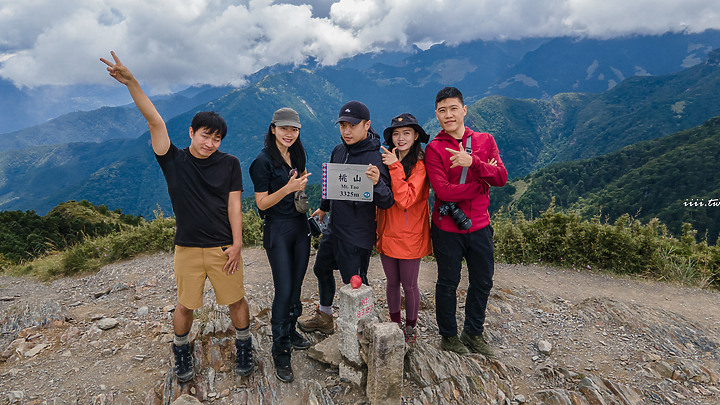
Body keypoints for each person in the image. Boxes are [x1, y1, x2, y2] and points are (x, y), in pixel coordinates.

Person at [100, 51, 254, 382]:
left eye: (216, 138)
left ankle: (244, 344)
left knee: (236, 301)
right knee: (185, 306)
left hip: (223, 247)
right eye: (205, 135)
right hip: (186, 247)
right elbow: (154, 120)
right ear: (191, 132)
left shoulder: (230, 164)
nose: (210, 143)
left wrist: (238, 244)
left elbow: (234, 206)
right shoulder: (173, 160)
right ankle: (181, 349)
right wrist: (132, 83)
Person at [297, 101, 394, 334]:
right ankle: (325, 316)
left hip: (357, 234)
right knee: (321, 268)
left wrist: (377, 182)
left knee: (355, 283)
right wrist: (323, 207)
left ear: (367, 125)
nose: (346, 131)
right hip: (335, 227)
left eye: (352, 125)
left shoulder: (376, 158)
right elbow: (333, 183)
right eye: (342, 125)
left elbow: (388, 200)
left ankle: (363, 331)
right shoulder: (339, 150)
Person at [424, 87, 508, 357]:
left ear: (464, 109)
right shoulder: (435, 149)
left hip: (480, 225)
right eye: (442, 110)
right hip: (447, 228)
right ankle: (448, 336)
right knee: (448, 282)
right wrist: (481, 184)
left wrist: (473, 162)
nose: (448, 115)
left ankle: (473, 332)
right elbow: (444, 191)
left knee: (483, 281)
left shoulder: (485, 140)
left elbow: (502, 177)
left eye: (453, 108)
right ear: (436, 114)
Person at [249, 107, 312, 383]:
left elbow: (303, 180)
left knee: (297, 286)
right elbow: (261, 203)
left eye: (294, 129)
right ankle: (280, 351)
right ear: (273, 128)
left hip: (299, 226)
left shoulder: (297, 152)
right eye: (284, 128)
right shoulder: (262, 162)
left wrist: (299, 189)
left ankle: (291, 329)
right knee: (284, 289)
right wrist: (287, 189)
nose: (289, 134)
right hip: (277, 230)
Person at [376, 113, 432, 343]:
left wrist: (395, 167)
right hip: (388, 231)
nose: (401, 138)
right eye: (396, 134)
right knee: (391, 283)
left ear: (416, 135)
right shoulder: (387, 160)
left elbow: (406, 199)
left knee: (409, 285)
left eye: (406, 133)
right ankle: (394, 322)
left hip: (410, 235)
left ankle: (410, 327)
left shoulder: (420, 164)